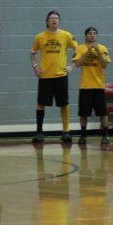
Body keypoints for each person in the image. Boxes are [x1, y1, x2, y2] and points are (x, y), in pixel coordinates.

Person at [30, 11, 77, 144]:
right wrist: (35, 66)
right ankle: (39, 132)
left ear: (59, 21)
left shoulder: (66, 35)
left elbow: (78, 50)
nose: (54, 20)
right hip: (45, 76)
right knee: (41, 104)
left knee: (64, 104)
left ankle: (66, 132)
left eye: (56, 18)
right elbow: (32, 54)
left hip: (61, 75)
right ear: (47, 21)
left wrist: (71, 66)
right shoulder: (40, 37)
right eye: (51, 18)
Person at [72, 27, 111, 145]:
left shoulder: (103, 48)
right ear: (85, 36)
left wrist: (98, 51)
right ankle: (83, 135)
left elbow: (104, 65)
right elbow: (77, 64)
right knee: (83, 113)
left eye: (94, 33)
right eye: (90, 33)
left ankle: (105, 135)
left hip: (99, 86)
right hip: (85, 86)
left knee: (103, 113)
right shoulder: (80, 48)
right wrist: (88, 52)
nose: (92, 35)